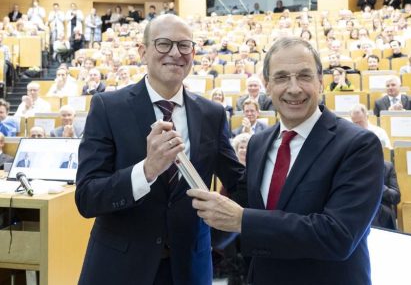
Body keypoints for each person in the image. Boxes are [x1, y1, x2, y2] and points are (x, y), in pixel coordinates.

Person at [188, 36, 384, 285]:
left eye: (304, 76)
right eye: (281, 78)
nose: (294, 88)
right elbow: (243, 212)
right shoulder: (259, 144)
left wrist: (242, 220)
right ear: (267, 85)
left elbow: (338, 236)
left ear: (320, 81)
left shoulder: (358, 145)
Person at [75, 14, 244, 285]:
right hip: (120, 268)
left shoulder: (212, 114)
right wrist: (146, 170)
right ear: (143, 52)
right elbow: (87, 198)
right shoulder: (107, 108)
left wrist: (219, 237)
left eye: (184, 45)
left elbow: (240, 185)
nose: (175, 53)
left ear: (193, 53)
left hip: (189, 268)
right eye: (164, 44)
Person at [372, 161, 400, 230]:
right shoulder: (353, 165)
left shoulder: (387, 166)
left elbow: (396, 197)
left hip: (380, 215)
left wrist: (378, 185)